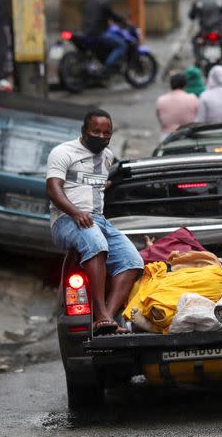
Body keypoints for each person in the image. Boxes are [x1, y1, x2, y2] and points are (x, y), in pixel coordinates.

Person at [46, 110, 144, 335]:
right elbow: (53, 189)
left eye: (106, 133)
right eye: (95, 131)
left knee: (133, 261)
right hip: (66, 219)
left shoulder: (107, 156)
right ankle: (100, 313)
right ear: (84, 131)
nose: (101, 136)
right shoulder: (63, 152)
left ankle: (107, 318)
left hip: (98, 219)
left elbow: (95, 186)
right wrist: (75, 212)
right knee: (96, 244)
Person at [83, 0, 126, 69]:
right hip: (99, 33)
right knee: (122, 45)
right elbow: (113, 15)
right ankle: (107, 67)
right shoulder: (104, 3)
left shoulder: (90, 1)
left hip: (87, 32)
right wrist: (124, 21)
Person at [156, 72, 199, 139]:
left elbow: (160, 118)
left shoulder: (161, 100)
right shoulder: (193, 98)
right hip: (188, 135)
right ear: (185, 85)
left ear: (171, 85)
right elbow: (198, 117)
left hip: (167, 137)